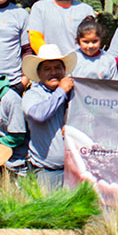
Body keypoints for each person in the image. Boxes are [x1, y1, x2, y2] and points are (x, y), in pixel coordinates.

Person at [22, 44, 79, 188]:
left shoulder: (75, 93)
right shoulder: (32, 95)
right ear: (39, 73)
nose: (53, 72)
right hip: (47, 172)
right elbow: (39, 115)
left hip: (77, 170)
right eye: (47, 69)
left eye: (57, 68)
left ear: (64, 71)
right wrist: (60, 91)